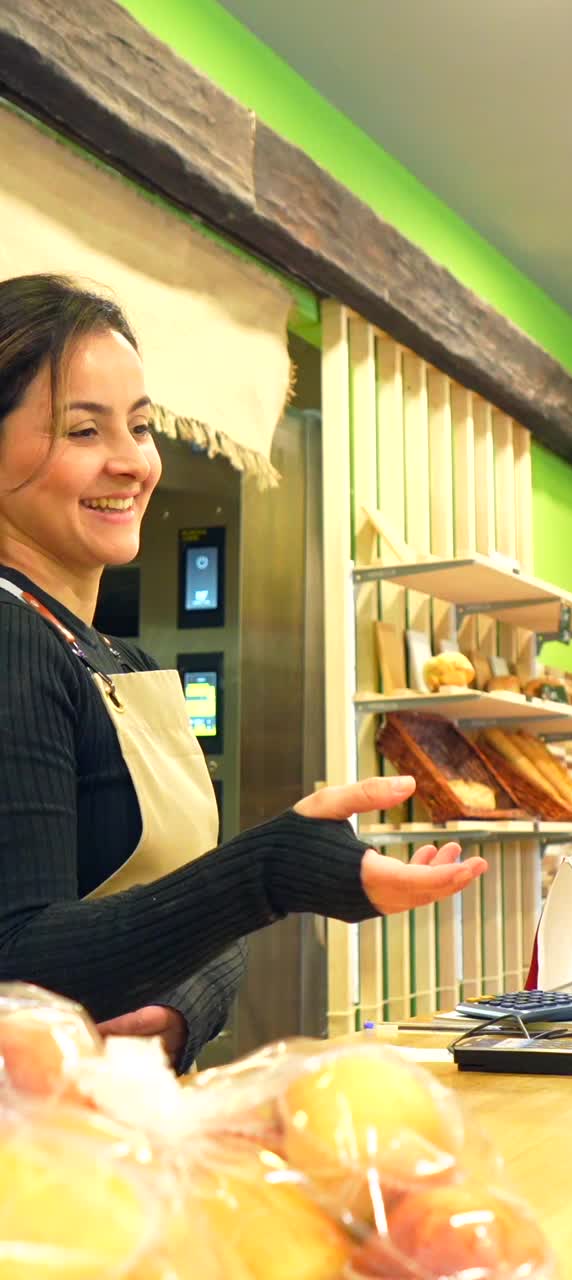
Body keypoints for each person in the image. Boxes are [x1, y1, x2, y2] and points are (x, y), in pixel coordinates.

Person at [0, 274, 487, 1072]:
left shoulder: (124, 661)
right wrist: (273, 869)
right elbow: (15, 967)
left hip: (116, 1128)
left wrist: (175, 1014)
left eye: (141, 426)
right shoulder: (10, 640)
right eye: (83, 432)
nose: (131, 463)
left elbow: (188, 927)